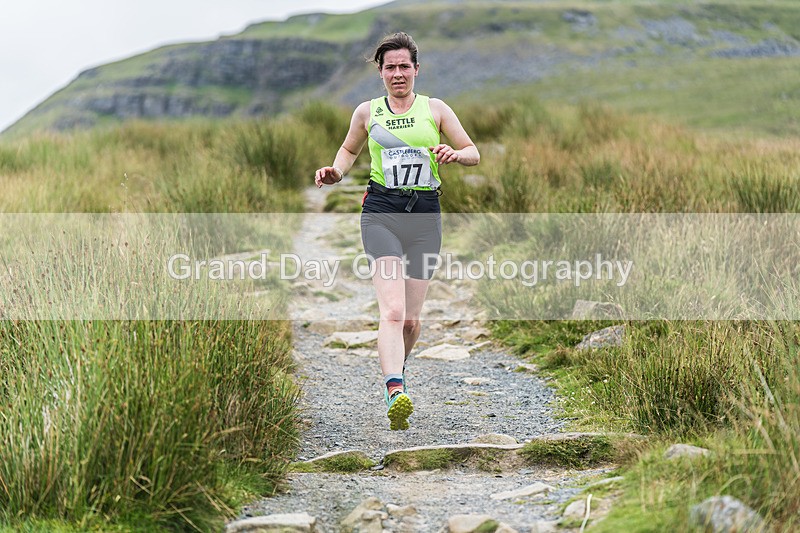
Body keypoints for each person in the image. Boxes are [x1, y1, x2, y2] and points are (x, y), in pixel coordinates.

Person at [314, 32, 479, 431]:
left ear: (416, 70)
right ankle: (395, 390)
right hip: (382, 212)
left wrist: (455, 154)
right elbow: (350, 150)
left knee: (410, 322)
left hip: (425, 214)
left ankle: (396, 367)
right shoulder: (367, 112)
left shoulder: (435, 109)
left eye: (405, 66)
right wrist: (337, 171)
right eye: (391, 67)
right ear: (381, 72)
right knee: (392, 311)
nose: (398, 73)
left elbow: (473, 152)